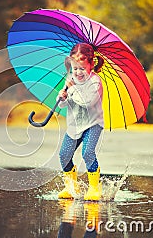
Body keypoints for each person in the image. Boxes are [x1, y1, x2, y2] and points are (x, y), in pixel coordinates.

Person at [57, 43, 104, 201]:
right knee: (64, 155)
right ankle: (71, 187)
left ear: (91, 65)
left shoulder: (95, 82)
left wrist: (72, 90)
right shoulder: (70, 80)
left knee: (87, 153)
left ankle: (94, 187)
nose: (78, 72)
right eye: (75, 69)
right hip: (75, 125)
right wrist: (61, 97)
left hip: (92, 124)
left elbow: (87, 102)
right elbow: (63, 104)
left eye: (82, 69)